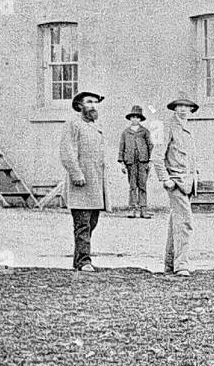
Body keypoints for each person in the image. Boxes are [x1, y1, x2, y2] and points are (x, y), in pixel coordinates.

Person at [59, 90, 109, 272]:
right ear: (80, 105)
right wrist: (76, 173)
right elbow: (67, 151)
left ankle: (79, 259)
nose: (94, 106)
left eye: (96, 102)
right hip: (81, 182)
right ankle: (83, 261)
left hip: (95, 183)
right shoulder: (73, 124)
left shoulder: (96, 127)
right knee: (82, 224)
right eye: (89, 102)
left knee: (92, 223)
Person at [154, 94, 200, 277]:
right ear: (174, 109)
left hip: (187, 183)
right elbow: (157, 156)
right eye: (179, 106)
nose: (182, 109)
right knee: (185, 223)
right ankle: (182, 265)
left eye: (186, 106)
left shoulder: (189, 129)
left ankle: (170, 264)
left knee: (177, 223)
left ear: (191, 109)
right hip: (176, 182)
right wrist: (165, 179)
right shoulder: (166, 127)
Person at [118, 105, 154, 218]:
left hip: (143, 162)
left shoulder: (145, 132)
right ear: (130, 118)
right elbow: (121, 148)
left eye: (137, 117)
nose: (135, 119)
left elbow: (150, 146)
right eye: (133, 117)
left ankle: (143, 209)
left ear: (140, 119)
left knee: (142, 185)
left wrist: (150, 161)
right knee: (132, 185)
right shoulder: (125, 133)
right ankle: (132, 209)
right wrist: (122, 163)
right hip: (130, 162)